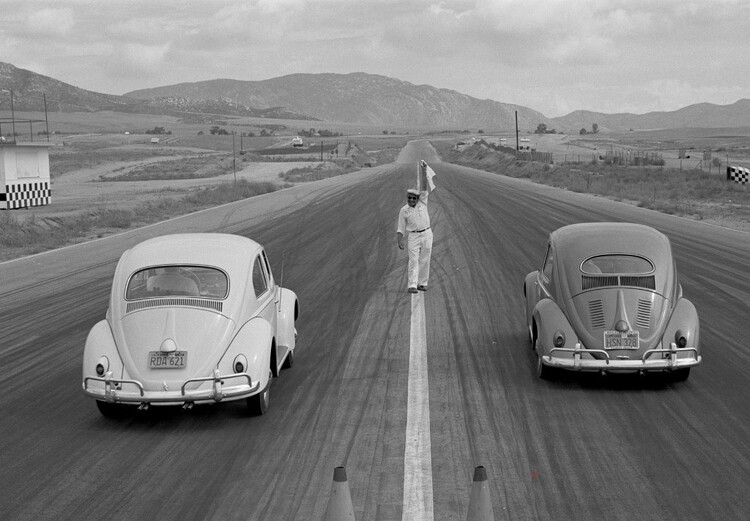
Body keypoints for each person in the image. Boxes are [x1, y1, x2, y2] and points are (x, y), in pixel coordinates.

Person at [397, 161, 437, 293]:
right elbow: (401, 227)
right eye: (410, 198)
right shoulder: (404, 210)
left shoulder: (423, 202)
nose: (412, 200)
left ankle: (422, 283)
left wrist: (424, 171)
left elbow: (424, 188)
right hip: (413, 236)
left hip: (427, 234)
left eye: (414, 198)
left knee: (425, 259)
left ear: (417, 198)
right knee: (413, 261)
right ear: (407, 198)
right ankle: (412, 285)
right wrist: (399, 240)